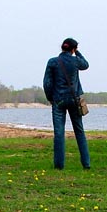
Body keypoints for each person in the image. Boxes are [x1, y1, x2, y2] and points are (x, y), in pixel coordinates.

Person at [43, 38, 90, 170]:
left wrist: (50, 98)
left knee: (59, 133)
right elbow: (85, 65)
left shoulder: (52, 62)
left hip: (58, 100)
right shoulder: (76, 61)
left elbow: (47, 83)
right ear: (73, 49)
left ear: (62, 48)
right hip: (75, 100)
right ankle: (86, 164)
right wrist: (78, 53)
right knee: (79, 131)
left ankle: (59, 166)